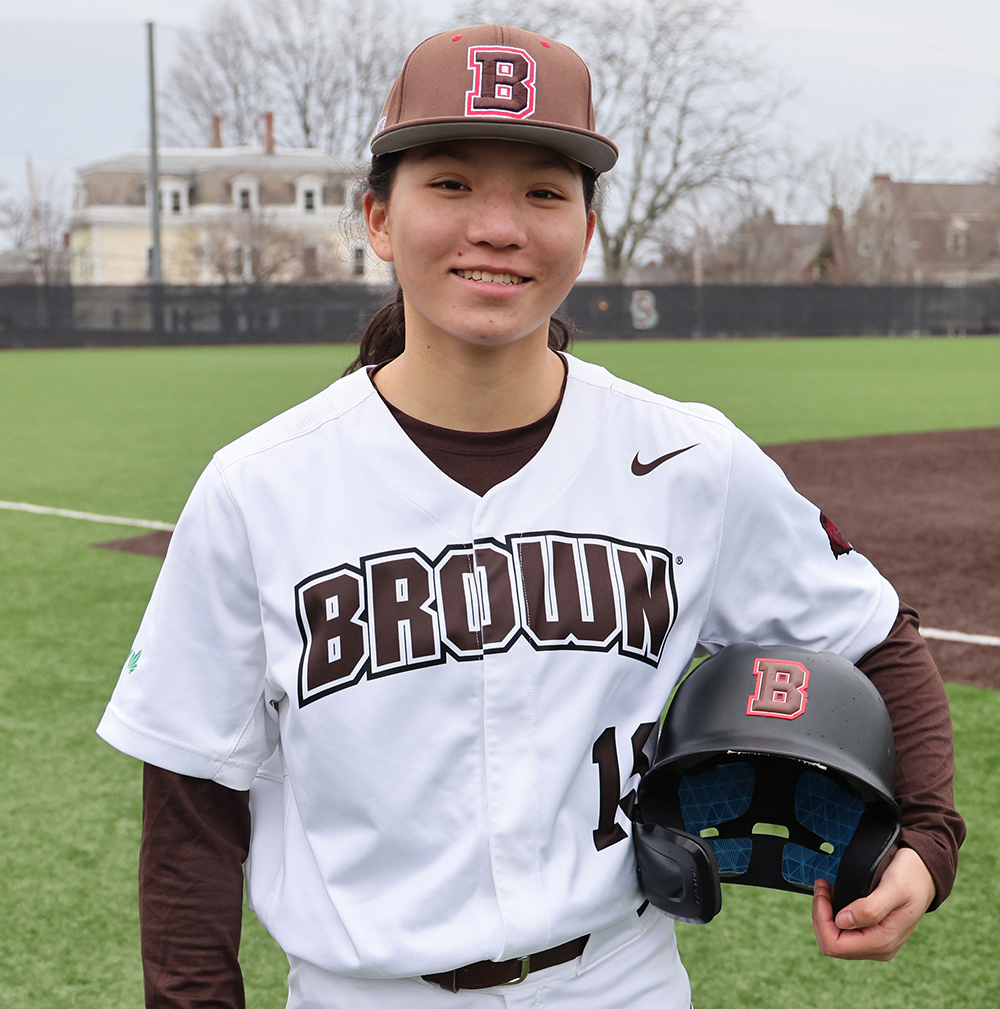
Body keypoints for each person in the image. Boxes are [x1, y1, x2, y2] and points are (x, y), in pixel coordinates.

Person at [98, 24, 964, 1009]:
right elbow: (192, 813)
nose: (499, 227)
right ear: (379, 218)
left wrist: (928, 840)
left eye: (544, 191)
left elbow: (869, 632)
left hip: (616, 982)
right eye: (452, 183)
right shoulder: (259, 487)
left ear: (585, 232)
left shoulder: (687, 459)